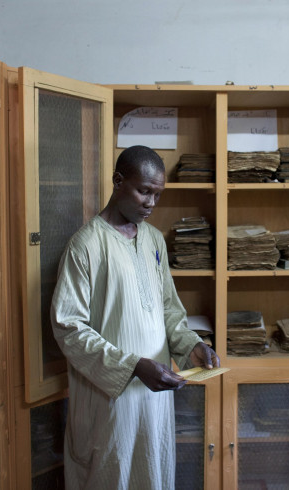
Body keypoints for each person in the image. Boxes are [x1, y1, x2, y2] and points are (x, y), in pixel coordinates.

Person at [50, 145, 220, 489]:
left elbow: (169, 310)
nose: (151, 203)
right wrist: (133, 366)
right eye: (144, 191)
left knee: (152, 472)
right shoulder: (85, 245)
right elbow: (68, 328)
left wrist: (192, 346)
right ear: (118, 181)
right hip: (109, 403)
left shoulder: (155, 240)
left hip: (152, 400)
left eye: (157, 195)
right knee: (110, 475)